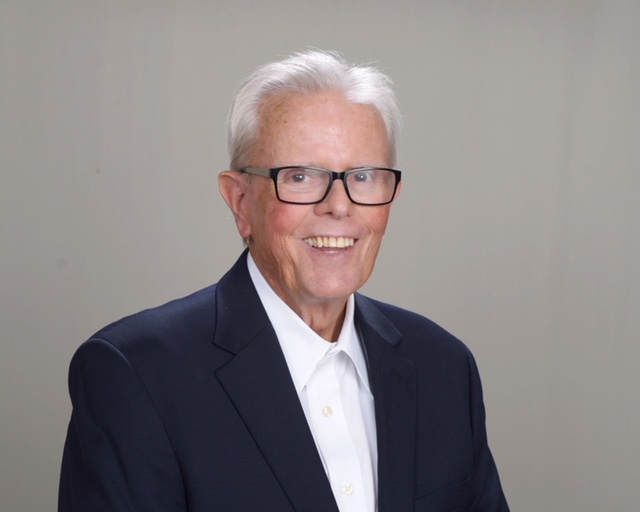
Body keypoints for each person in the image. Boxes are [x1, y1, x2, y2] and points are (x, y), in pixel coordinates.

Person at [58, 50, 509, 512]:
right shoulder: (136, 375)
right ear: (239, 201)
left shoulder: (444, 367)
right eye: (299, 176)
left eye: (365, 176)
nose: (339, 205)